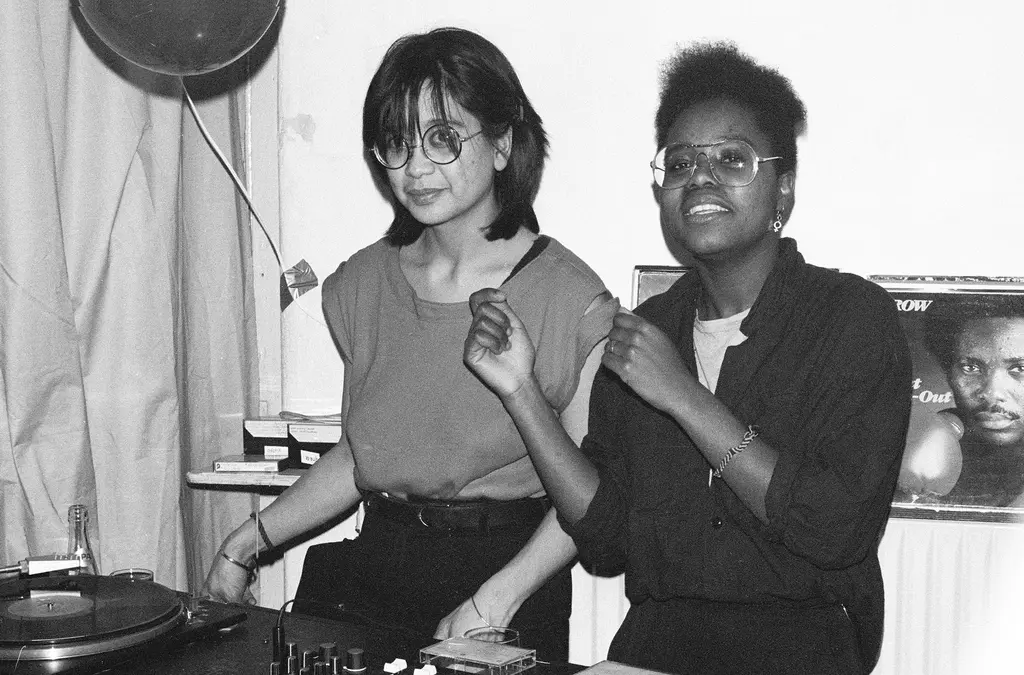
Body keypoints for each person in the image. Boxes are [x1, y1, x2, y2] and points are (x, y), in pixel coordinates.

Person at [465, 42, 911, 674]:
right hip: (658, 642)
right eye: (680, 164)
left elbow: (833, 531)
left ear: (782, 190)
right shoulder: (646, 333)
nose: (700, 178)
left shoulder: (852, 322)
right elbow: (606, 541)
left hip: (802, 643)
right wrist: (521, 393)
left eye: (732, 159)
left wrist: (682, 394)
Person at [203, 27, 616, 661]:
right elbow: (362, 456)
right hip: (377, 574)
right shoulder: (362, 284)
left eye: (443, 139)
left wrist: (496, 601)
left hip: (508, 586)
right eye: (396, 144)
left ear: (503, 143)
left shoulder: (569, 297)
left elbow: (589, 499)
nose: (415, 167)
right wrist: (246, 542)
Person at [898, 295, 1024, 507]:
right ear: (949, 372)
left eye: (1020, 369)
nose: (992, 393)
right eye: (971, 368)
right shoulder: (920, 447)